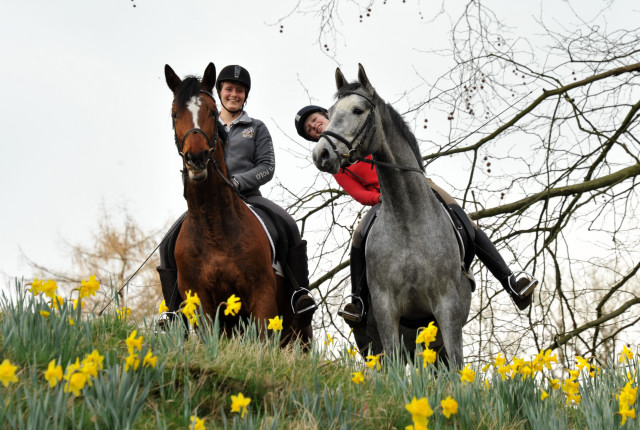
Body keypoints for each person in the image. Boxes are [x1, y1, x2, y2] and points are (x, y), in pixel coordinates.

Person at [295, 105, 537, 327]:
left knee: (464, 221)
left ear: (327, 115)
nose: (314, 126)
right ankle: (357, 301)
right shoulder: (337, 161)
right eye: (309, 130)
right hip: (382, 200)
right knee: (359, 237)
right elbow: (357, 192)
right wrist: (379, 198)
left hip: (417, 186)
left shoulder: (363, 130)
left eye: (315, 120)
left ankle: (511, 283)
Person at [156, 66, 317, 328]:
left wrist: (237, 182)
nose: (234, 94)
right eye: (229, 89)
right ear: (219, 92)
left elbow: (267, 167)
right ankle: (173, 313)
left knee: (287, 224)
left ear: (245, 95)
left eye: (239, 90)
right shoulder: (204, 122)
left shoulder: (256, 128)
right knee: (167, 245)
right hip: (207, 204)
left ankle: (300, 293)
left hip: (249, 198)